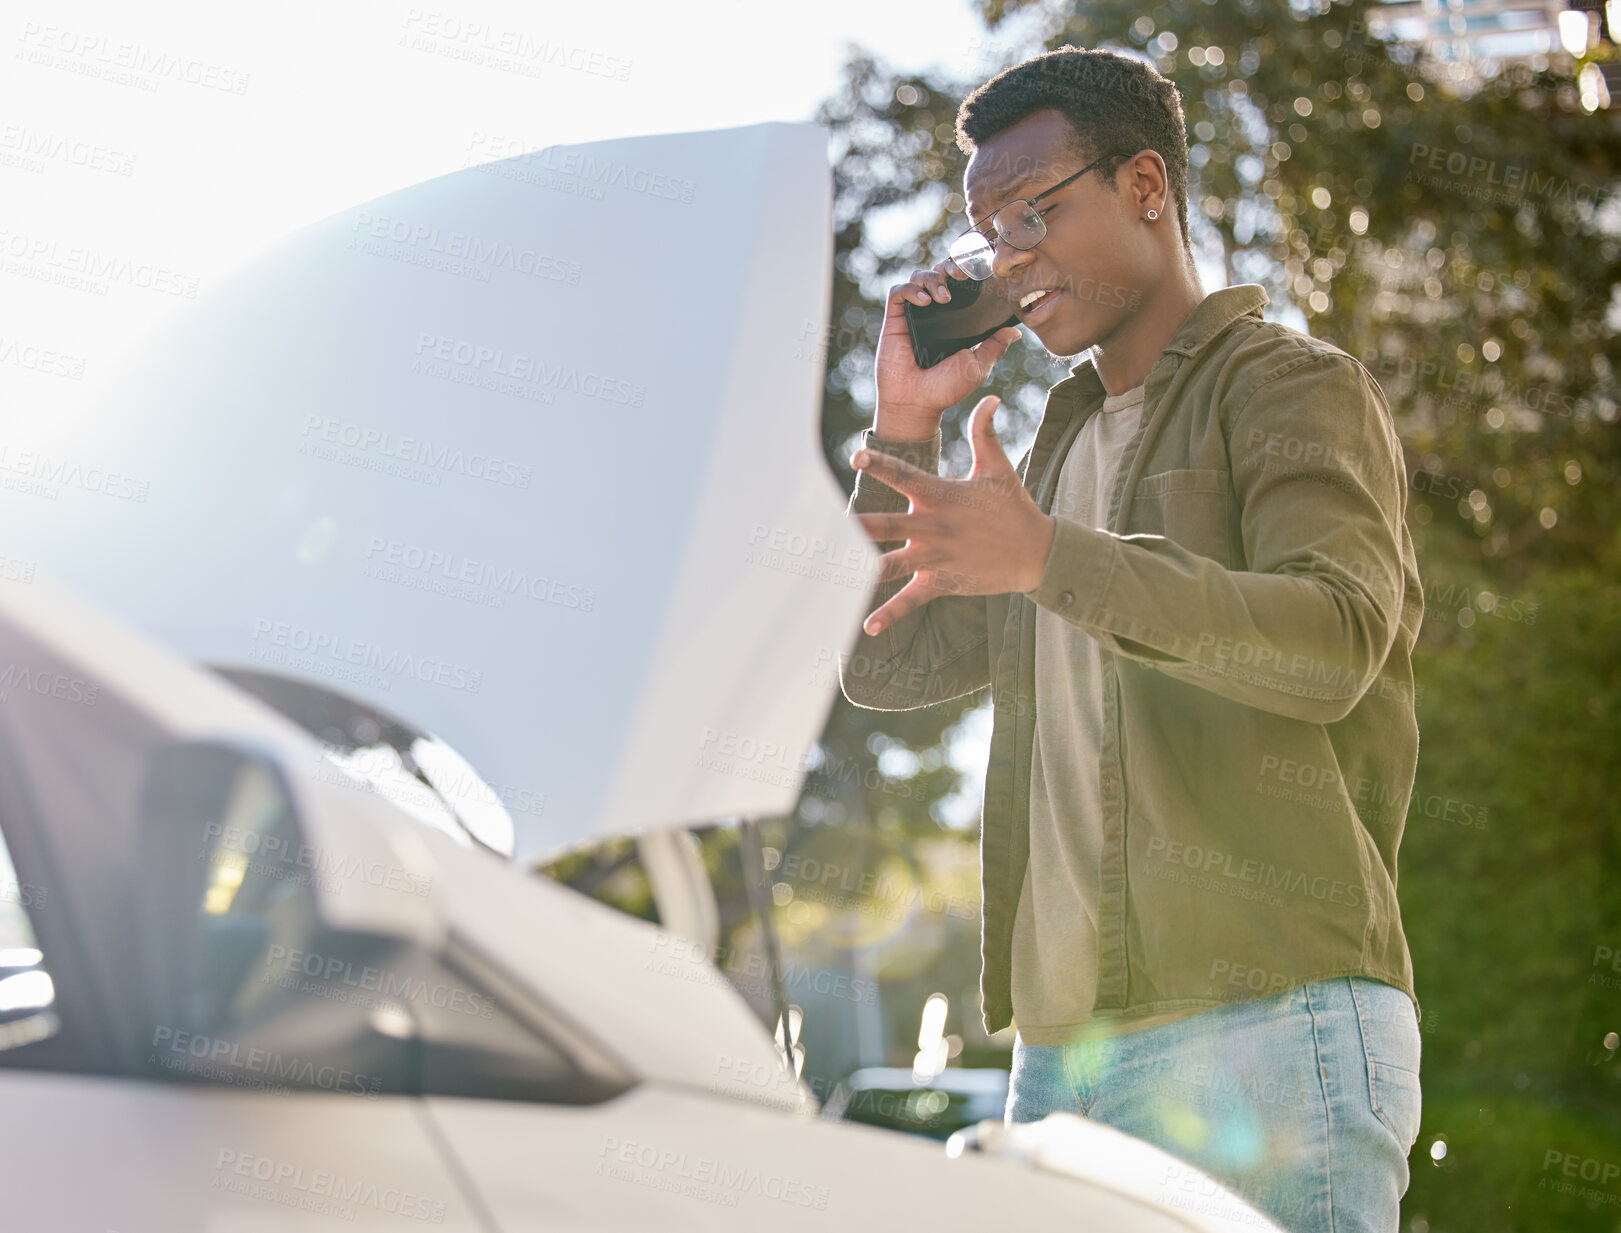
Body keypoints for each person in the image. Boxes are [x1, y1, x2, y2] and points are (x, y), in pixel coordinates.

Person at [839, 45, 1425, 1233]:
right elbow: (881, 663)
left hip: (1270, 1018)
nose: (1009, 255)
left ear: (1146, 186)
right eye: (988, 231)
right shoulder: (1040, 456)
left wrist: (1053, 560)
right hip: (1062, 1056)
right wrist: (904, 429)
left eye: (1032, 213)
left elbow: (1331, 639)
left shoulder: (1288, 387)